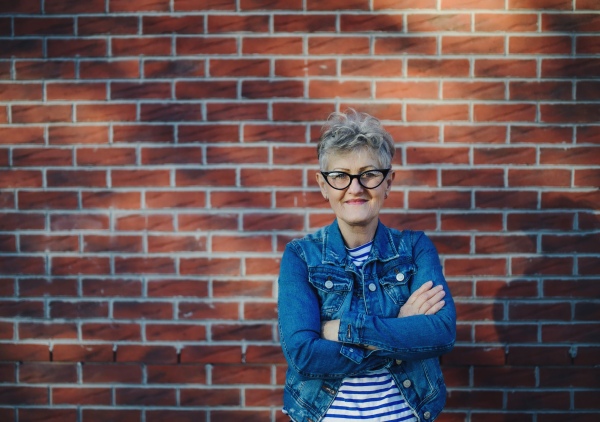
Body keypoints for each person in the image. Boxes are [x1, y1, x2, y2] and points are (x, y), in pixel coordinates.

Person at [277, 109, 456, 422]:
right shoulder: (300, 257)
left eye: (369, 174)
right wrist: (400, 329)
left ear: (389, 181)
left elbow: (440, 333)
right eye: (340, 175)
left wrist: (342, 330)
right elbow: (303, 355)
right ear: (323, 185)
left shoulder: (415, 248)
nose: (355, 187)